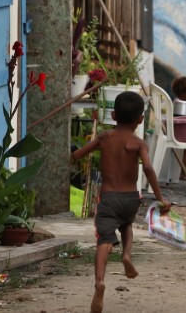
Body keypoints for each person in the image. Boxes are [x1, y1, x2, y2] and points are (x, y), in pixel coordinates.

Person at [71, 91, 171, 313]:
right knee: (126, 226)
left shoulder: (105, 138)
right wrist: (160, 198)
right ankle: (126, 254)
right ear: (140, 119)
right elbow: (147, 168)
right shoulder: (138, 143)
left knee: (104, 239)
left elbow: (78, 155)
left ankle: (99, 282)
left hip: (108, 199)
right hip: (130, 199)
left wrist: (72, 155)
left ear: (113, 115)